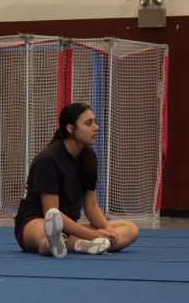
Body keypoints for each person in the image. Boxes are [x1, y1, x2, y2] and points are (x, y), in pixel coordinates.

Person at [14, 103, 139, 258]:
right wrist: (91, 234)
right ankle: (59, 243)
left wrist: (108, 231)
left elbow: (91, 206)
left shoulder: (89, 158)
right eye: (88, 123)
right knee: (46, 234)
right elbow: (51, 212)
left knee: (130, 229)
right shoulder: (48, 160)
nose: (96, 127)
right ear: (70, 129)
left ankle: (79, 244)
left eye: (94, 121)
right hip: (36, 221)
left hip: (69, 227)